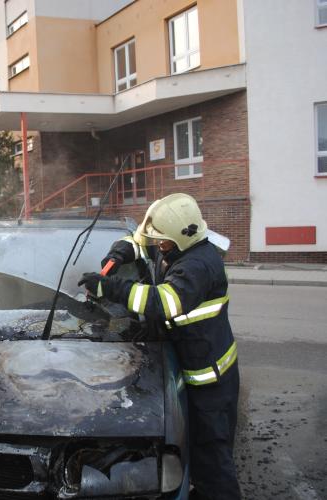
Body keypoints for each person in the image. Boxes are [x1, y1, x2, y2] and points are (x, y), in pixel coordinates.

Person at [79, 193, 241, 500]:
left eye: (163, 243)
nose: (158, 247)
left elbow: (163, 301)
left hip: (211, 381)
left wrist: (111, 287)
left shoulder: (199, 266)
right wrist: (122, 250)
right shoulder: (180, 247)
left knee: (213, 459)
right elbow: (144, 241)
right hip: (189, 366)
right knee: (193, 450)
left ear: (180, 239)